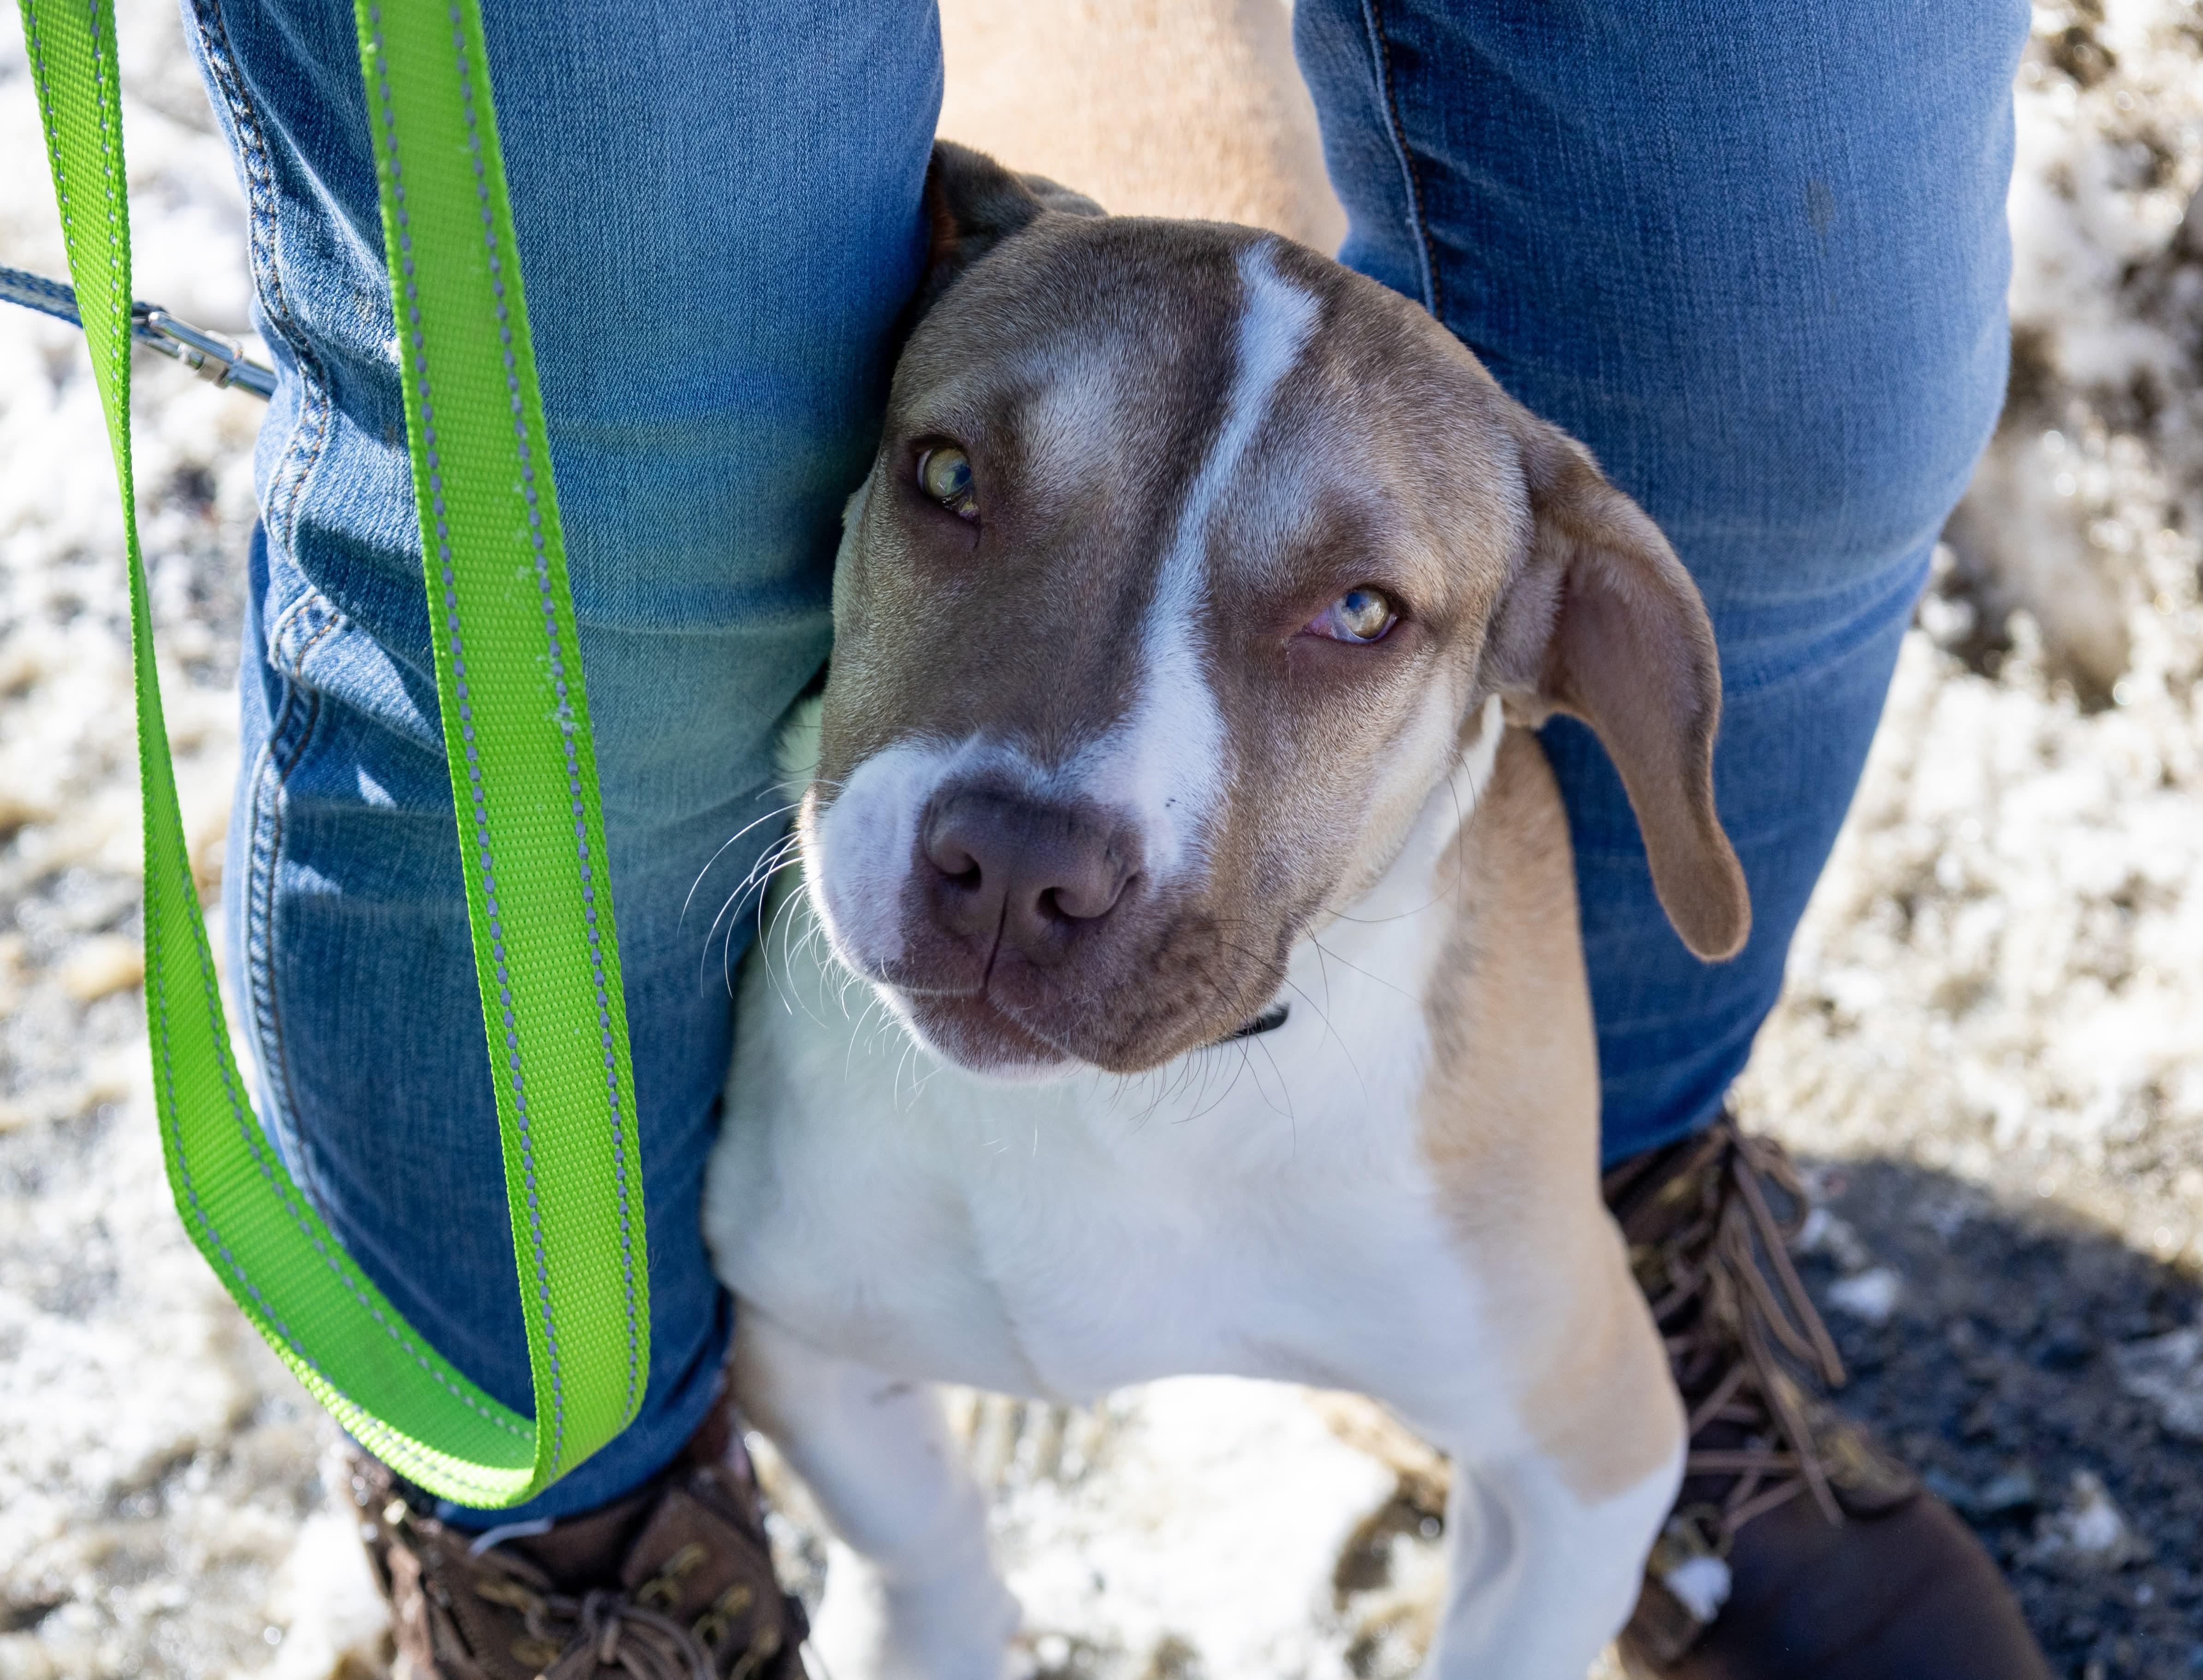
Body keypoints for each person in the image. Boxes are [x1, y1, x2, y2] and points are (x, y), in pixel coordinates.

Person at [179, 0, 2045, 1673]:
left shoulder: (1511, 588)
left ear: (1570, 649)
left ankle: (1621, 1204)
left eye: (1344, 615)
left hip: (1405, 1115)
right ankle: (572, 1530)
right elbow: (811, 1342)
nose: (1040, 831)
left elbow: (1584, 1472)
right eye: (961, 484)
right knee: (563, 373)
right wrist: (929, 1585)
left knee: (1788, 340)